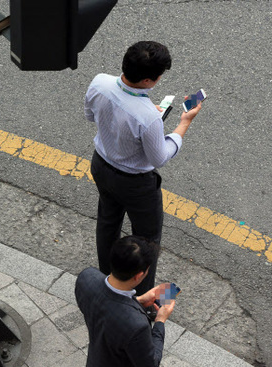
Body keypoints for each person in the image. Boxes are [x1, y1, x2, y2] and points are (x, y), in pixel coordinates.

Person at [85, 40, 204, 295]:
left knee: (107, 221)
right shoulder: (148, 117)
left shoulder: (99, 82)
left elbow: (90, 114)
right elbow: (159, 157)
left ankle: (108, 280)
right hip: (136, 184)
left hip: (101, 165)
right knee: (147, 240)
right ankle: (142, 296)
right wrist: (183, 124)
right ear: (150, 81)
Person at [75, 235, 176, 367]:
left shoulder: (86, 278)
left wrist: (137, 301)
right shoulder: (137, 326)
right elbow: (151, 362)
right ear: (139, 275)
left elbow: (108, 308)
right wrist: (160, 322)